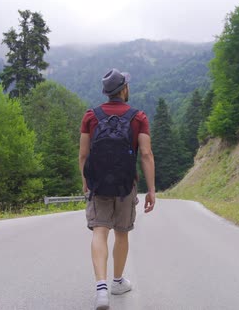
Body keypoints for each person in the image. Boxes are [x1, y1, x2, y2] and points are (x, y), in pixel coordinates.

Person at [79, 68, 156, 310]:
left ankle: (101, 288)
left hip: (99, 184)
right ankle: (117, 281)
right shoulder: (138, 117)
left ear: (106, 92)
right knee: (121, 233)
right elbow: (145, 154)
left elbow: (83, 154)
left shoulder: (91, 116)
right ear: (124, 89)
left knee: (99, 231)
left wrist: (86, 182)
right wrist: (151, 189)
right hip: (125, 184)